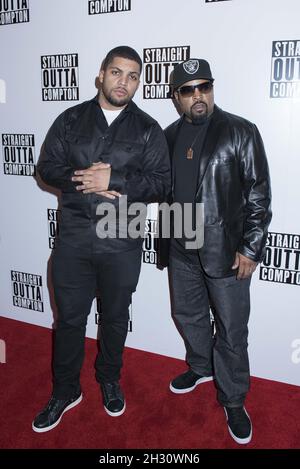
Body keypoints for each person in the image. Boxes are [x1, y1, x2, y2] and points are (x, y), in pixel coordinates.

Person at [33, 46, 170, 432]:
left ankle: (109, 378)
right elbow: (46, 167)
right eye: (116, 72)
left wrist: (115, 181)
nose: (123, 81)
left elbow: (163, 183)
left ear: (138, 82)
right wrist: (83, 178)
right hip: (74, 237)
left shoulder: (148, 129)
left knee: (114, 317)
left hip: (122, 237)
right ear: (101, 75)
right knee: (70, 319)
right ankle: (65, 390)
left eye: (131, 76)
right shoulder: (70, 119)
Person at [158, 59, 272, 444]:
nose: (198, 95)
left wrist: (251, 248)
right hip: (180, 243)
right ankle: (200, 365)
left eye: (204, 86)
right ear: (176, 97)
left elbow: (259, 195)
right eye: (188, 90)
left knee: (231, 328)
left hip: (225, 249)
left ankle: (234, 398)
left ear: (212, 88)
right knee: (186, 314)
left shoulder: (240, 131)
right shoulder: (168, 135)